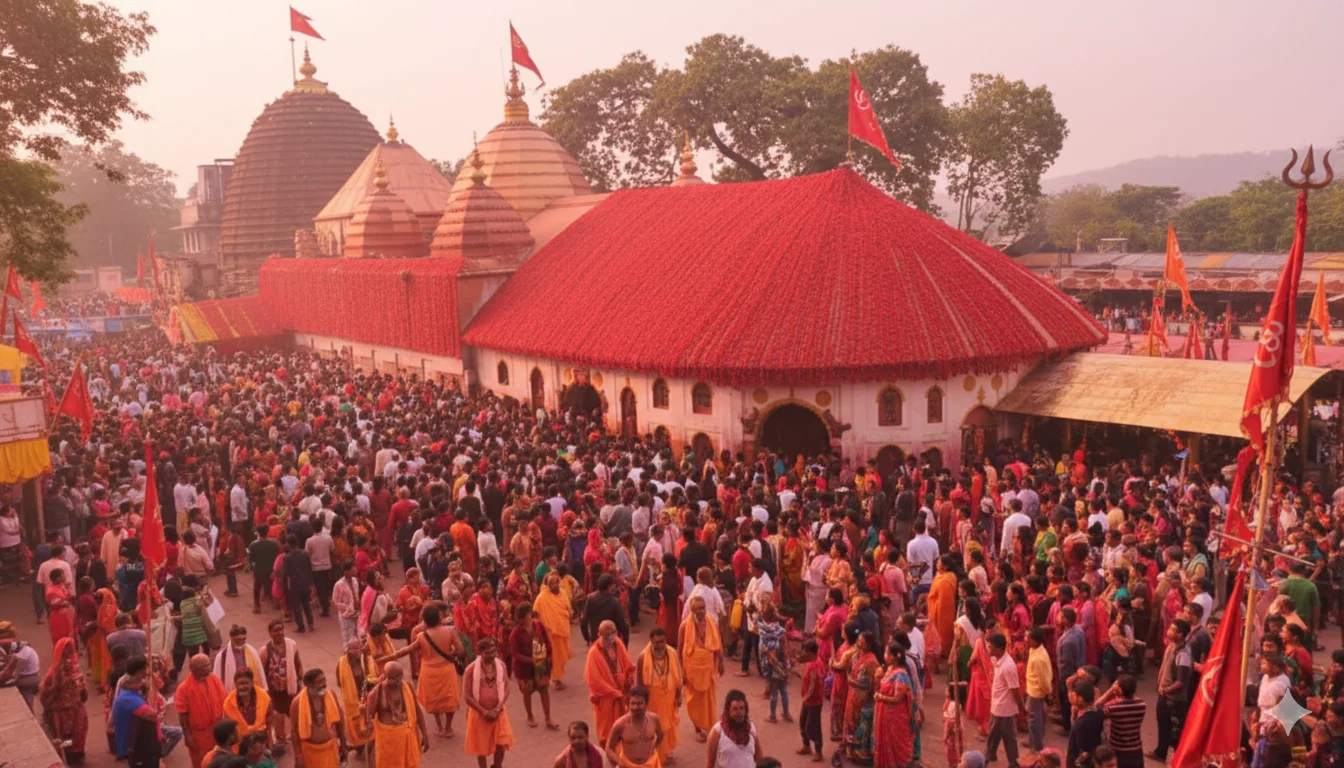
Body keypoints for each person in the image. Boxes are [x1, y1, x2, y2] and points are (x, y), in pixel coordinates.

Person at [380, 602, 464, 738]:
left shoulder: (421, 636)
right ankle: (448, 727)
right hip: (446, 669)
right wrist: (450, 653)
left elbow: (406, 650)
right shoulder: (450, 631)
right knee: (449, 699)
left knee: (434, 699)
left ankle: (439, 726)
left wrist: (388, 657)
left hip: (429, 671)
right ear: (438, 618)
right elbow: (460, 651)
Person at [363, 661, 430, 768]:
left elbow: (418, 712)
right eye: (393, 677)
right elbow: (368, 720)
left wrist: (425, 735)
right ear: (385, 676)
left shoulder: (408, 687)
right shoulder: (377, 693)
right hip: (387, 742)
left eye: (400, 676)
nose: (398, 680)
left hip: (406, 740)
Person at [463, 637, 515, 768]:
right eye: (488, 653)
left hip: (499, 713)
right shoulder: (470, 670)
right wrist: (484, 712)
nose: (492, 655)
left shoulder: (501, 665)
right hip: (479, 714)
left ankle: (497, 766)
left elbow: (506, 687)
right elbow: (467, 696)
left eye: (494, 652)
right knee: (481, 748)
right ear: (480, 652)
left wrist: (498, 708)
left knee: (501, 745)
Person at [635, 626, 682, 764]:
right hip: (652, 700)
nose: (659, 645)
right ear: (651, 641)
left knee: (668, 726)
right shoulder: (643, 657)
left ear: (665, 640)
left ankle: (665, 753)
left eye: (662, 641)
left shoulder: (672, 653)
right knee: (654, 727)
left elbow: (678, 677)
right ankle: (656, 756)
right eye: (656, 642)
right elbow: (638, 681)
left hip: (669, 697)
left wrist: (679, 696)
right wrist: (640, 701)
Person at [680, 594, 723, 742]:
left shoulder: (711, 621)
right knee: (694, 701)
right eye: (696, 609)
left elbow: (718, 642)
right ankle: (697, 728)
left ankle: (708, 726)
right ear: (691, 610)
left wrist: (721, 662)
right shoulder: (685, 626)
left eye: (702, 608)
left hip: (708, 667)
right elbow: (679, 651)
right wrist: (681, 673)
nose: (700, 611)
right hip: (691, 670)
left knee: (709, 699)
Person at [39, 637, 89, 763]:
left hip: (76, 708)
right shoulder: (55, 673)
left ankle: (77, 754)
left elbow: (81, 684)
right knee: (65, 736)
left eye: (71, 648)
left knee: (78, 733)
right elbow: (46, 692)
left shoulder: (74, 667)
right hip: (62, 711)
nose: (69, 651)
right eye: (67, 649)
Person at [508, 603, 558, 729]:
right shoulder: (515, 633)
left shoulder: (538, 625)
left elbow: (546, 641)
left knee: (544, 690)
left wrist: (548, 656)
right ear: (520, 619)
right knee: (527, 693)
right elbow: (516, 654)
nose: (529, 618)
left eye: (529, 614)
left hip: (541, 666)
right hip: (524, 669)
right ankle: (530, 716)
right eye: (526, 616)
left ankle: (548, 718)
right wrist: (532, 660)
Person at [586, 618, 636, 743]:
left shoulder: (618, 643)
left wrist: (630, 679)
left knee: (624, 725)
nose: (611, 637)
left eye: (613, 633)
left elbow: (627, 664)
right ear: (600, 635)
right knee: (607, 730)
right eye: (607, 634)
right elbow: (594, 681)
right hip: (606, 699)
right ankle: (610, 750)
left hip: (622, 693)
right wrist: (614, 693)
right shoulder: (594, 653)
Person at [290, 668, 348, 768]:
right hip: (309, 753)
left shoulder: (331, 695)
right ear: (309, 685)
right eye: (319, 682)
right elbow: (294, 732)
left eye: (324, 680)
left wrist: (343, 743)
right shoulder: (297, 703)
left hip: (330, 749)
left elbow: (339, 721)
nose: (324, 684)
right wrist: (298, 755)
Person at [111, 656, 162, 767]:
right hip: (134, 747)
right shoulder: (129, 699)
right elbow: (152, 715)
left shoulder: (128, 690)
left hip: (137, 742)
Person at [177, 653, 227, 768]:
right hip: (199, 735)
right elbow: (182, 714)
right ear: (193, 669)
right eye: (204, 667)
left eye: (208, 665)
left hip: (218, 729)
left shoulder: (214, 679)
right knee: (201, 762)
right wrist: (187, 736)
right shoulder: (184, 688)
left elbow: (224, 701)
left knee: (221, 759)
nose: (208, 669)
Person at [1152, 618, 1192, 761]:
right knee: (1163, 724)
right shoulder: (1171, 646)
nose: (1169, 631)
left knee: (1175, 730)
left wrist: (1167, 690)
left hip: (1174, 699)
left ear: (1180, 635)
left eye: (1173, 629)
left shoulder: (1183, 655)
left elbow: (1181, 681)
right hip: (1164, 694)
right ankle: (1160, 752)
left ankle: (1177, 758)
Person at [873, 642, 918, 768]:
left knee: (896, 745)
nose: (884, 655)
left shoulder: (901, 675)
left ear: (893, 657)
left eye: (887, 653)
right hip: (885, 713)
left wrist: (880, 697)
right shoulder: (888, 669)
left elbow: (898, 699)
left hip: (895, 717)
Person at [262, 618, 303, 751]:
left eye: (281, 630)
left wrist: (300, 680)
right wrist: (266, 690)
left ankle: (298, 734)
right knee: (278, 715)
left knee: (294, 712)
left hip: (291, 686)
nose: (279, 633)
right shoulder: (265, 651)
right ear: (270, 633)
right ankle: (281, 739)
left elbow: (298, 664)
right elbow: (263, 671)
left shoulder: (292, 645)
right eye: (275, 631)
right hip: (275, 689)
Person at [984, 633, 1023, 768]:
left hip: (1003, 709)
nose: (988, 649)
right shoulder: (999, 661)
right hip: (1000, 707)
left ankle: (988, 759)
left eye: (990, 646)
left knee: (999, 737)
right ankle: (1010, 761)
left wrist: (1022, 709)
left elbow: (1015, 690)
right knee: (1005, 737)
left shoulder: (1007, 666)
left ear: (997, 648)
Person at [605, 686, 664, 768]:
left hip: (651, 764)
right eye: (632, 703)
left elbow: (661, 735)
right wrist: (620, 762)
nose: (635, 707)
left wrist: (655, 749)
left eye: (639, 703)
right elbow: (609, 749)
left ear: (646, 704)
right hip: (627, 765)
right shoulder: (620, 724)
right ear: (628, 704)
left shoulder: (654, 719)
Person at [533, 573, 574, 689]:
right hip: (550, 631)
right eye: (551, 583)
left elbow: (568, 608)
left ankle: (555, 677)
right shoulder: (542, 597)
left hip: (563, 629)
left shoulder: (563, 593)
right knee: (555, 656)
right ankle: (556, 679)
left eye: (556, 582)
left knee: (562, 655)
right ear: (547, 585)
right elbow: (535, 613)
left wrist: (570, 614)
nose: (554, 585)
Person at [336, 638, 373, 759]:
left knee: (369, 724)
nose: (358, 653)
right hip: (351, 701)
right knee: (356, 726)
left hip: (366, 697)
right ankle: (359, 746)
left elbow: (371, 677)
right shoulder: (341, 664)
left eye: (359, 650)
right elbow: (339, 682)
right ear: (348, 652)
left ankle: (370, 747)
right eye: (354, 651)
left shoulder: (365, 661)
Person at [706, 689, 763, 768]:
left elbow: (759, 758)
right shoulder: (717, 731)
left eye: (742, 708)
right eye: (735, 709)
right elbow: (710, 762)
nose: (739, 712)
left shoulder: (751, 728)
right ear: (728, 710)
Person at [223, 667, 272, 746]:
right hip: (240, 746)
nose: (243, 687)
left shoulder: (264, 697)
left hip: (261, 744)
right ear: (235, 684)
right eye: (240, 683)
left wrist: (269, 743)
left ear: (252, 683)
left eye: (246, 683)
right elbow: (228, 730)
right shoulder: (228, 703)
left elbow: (269, 723)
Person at [215, 624, 267, 694]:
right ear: (232, 638)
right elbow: (217, 679)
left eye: (243, 639)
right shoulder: (221, 657)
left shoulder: (252, 652)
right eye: (238, 640)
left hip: (250, 689)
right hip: (233, 691)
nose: (241, 642)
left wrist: (265, 689)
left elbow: (260, 673)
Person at [1025, 626, 1053, 752]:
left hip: (1036, 692)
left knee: (1034, 720)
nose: (1026, 640)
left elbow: (1043, 679)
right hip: (1033, 689)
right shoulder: (1035, 650)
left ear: (1035, 641)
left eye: (1029, 638)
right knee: (1035, 717)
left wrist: (1048, 692)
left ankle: (1037, 747)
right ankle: (1033, 741)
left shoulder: (1038, 659)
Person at [281, 534, 315, 633]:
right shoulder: (305, 554)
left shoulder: (287, 557)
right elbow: (309, 569)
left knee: (296, 607)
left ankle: (301, 627)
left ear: (288, 544)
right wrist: (311, 583)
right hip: (305, 583)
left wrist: (285, 587)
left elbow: (285, 574)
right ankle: (310, 623)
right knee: (306, 604)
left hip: (294, 584)